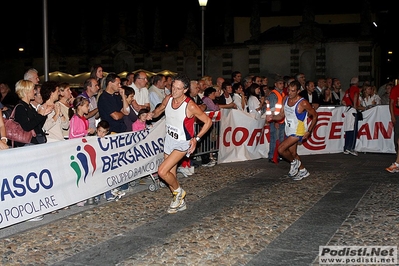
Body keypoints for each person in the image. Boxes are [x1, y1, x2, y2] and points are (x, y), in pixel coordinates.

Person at [147, 73, 212, 214]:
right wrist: (151, 114)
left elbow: (208, 122)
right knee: (171, 174)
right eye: (172, 87)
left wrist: (197, 138)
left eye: (178, 88)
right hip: (169, 140)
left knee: (162, 171)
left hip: (183, 142)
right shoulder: (168, 98)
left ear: (185, 90)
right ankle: (180, 201)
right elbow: (159, 110)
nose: (174, 91)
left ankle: (179, 192)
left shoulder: (190, 106)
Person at [266, 80, 318, 181]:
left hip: (298, 131)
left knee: (281, 149)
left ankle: (294, 163)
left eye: (293, 91)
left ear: (298, 91)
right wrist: (272, 117)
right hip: (289, 129)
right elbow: (281, 115)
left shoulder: (303, 103)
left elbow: (315, 116)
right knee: (292, 153)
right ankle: (303, 170)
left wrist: (309, 131)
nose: (290, 93)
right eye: (289, 90)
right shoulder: (285, 98)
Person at [69, 96, 96, 206]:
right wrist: (86, 132)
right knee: (78, 173)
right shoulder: (75, 119)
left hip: (82, 148)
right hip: (75, 149)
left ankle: (84, 194)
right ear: (79, 106)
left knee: (85, 171)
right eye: (86, 105)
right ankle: (77, 197)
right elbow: (73, 134)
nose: (88, 108)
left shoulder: (84, 119)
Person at [14, 80, 52, 148]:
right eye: (32, 90)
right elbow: (27, 127)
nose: (34, 92)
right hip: (27, 144)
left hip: (34, 142)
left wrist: (44, 115)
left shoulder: (29, 107)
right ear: (26, 92)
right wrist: (40, 115)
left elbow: (38, 126)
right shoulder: (20, 108)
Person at [342, 77, 365, 156]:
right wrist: (356, 106)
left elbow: (343, 101)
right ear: (357, 83)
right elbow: (355, 96)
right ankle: (351, 147)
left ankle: (346, 147)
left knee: (348, 129)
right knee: (353, 130)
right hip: (353, 111)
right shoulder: (356, 89)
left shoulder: (347, 90)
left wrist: (348, 105)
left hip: (348, 110)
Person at [267, 76, 286, 163]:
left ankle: (278, 155)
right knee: (275, 138)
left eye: (282, 83)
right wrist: (275, 121)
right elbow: (272, 109)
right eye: (280, 83)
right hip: (276, 120)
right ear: (275, 84)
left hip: (281, 119)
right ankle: (272, 156)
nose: (282, 85)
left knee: (281, 139)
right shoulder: (274, 94)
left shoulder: (282, 94)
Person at [389, 83, 399, 152]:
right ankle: (397, 150)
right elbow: (391, 103)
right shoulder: (396, 89)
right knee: (397, 133)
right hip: (397, 114)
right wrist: (392, 116)